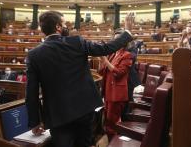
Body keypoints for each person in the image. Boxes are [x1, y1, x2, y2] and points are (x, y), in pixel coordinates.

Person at [25, 11, 135, 147]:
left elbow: (31, 92)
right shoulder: (77, 42)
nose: (67, 27)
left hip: (57, 115)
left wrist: (35, 121)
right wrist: (127, 32)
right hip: (84, 109)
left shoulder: (34, 55)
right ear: (58, 27)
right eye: (65, 24)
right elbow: (106, 48)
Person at [98, 29, 133, 141]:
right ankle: (111, 142)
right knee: (107, 121)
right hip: (108, 90)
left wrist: (105, 60)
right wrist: (101, 60)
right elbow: (101, 71)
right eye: (115, 39)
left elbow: (118, 73)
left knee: (112, 122)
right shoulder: (112, 53)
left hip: (116, 93)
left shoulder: (127, 55)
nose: (116, 41)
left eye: (119, 39)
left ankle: (114, 142)